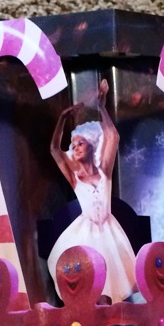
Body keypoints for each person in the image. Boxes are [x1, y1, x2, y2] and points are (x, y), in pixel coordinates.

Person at [47, 79, 136, 304]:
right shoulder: (75, 177)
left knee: (109, 292)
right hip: (86, 236)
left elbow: (112, 136)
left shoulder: (104, 170)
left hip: (108, 234)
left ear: (91, 146)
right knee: (90, 290)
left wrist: (102, 108)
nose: (75, 147)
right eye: (74, 144)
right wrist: (62, 118)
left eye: (80, 143)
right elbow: (55, 150)